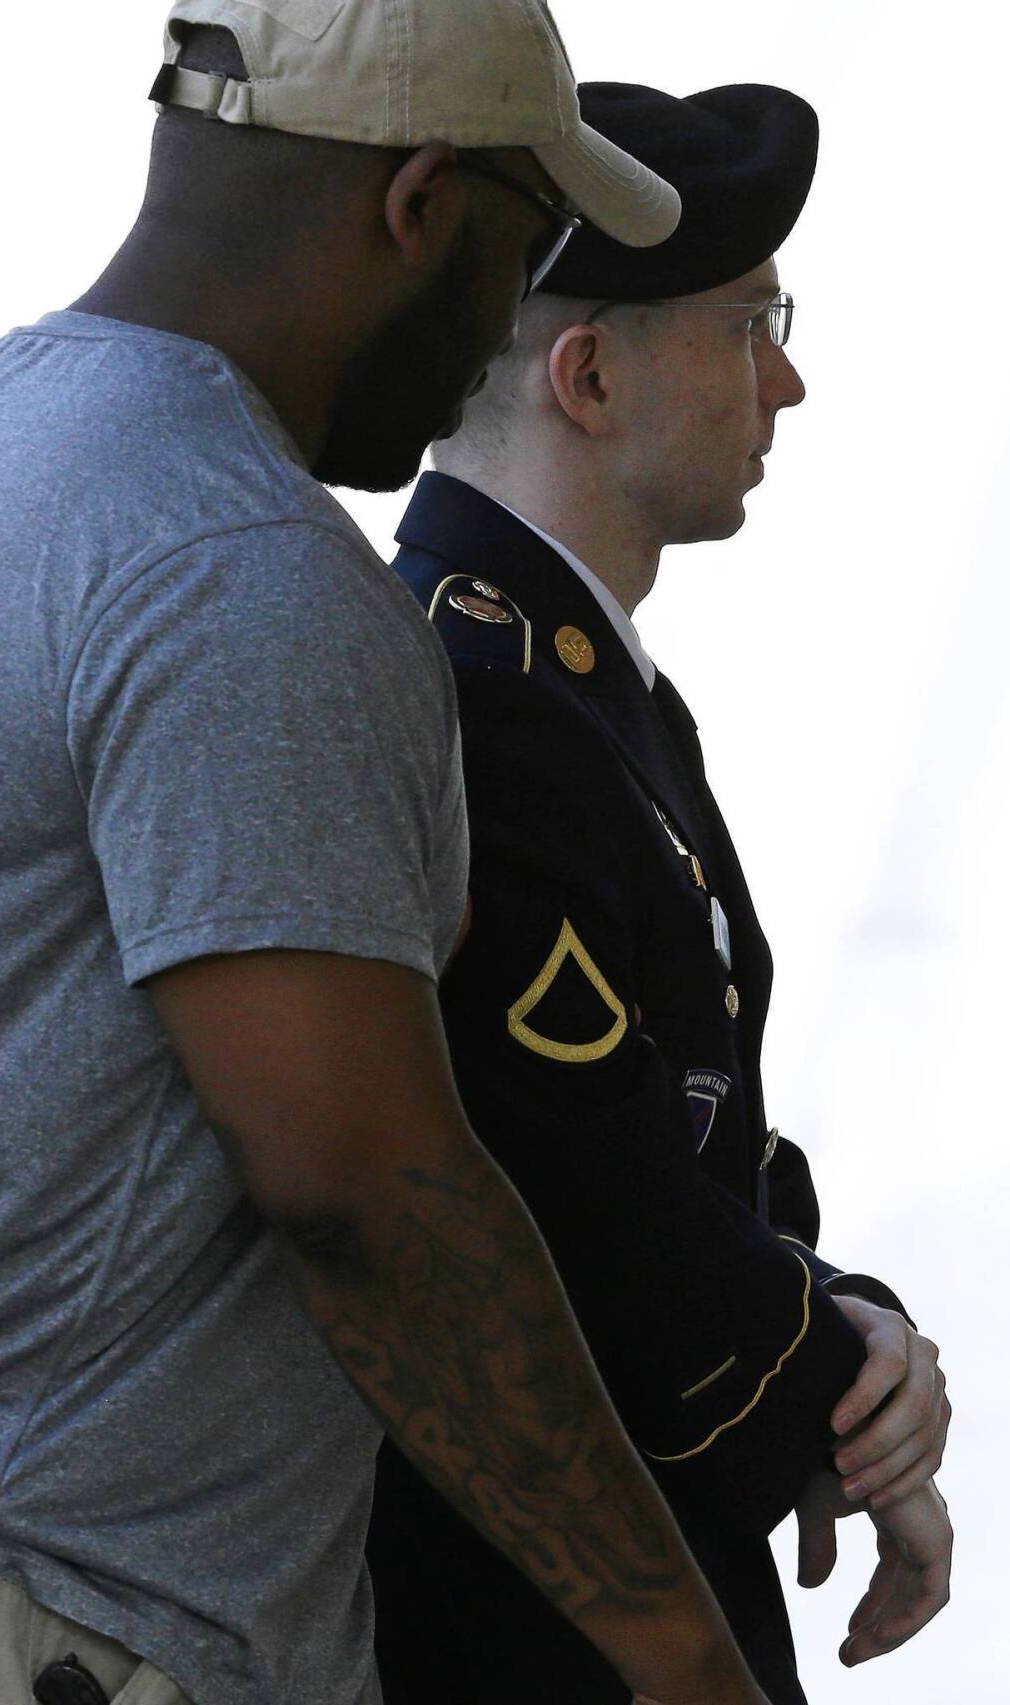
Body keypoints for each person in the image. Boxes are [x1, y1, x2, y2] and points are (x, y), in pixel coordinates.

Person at [0, 7, 795, 1702]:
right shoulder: (238, 556)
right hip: (60, 1618)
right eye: (517, 248)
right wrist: (685, 1659)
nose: (498, 331)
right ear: (421, 202)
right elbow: (372, 1195)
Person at [368, 82, 953, 1705]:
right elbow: (582, 1211)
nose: (791, 378)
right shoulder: (488, 700)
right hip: (532, 1626)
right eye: (754, 322)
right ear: (590, 371)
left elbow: (691, 1136)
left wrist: (843, 1314)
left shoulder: (576, 685)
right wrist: (857, 1382)